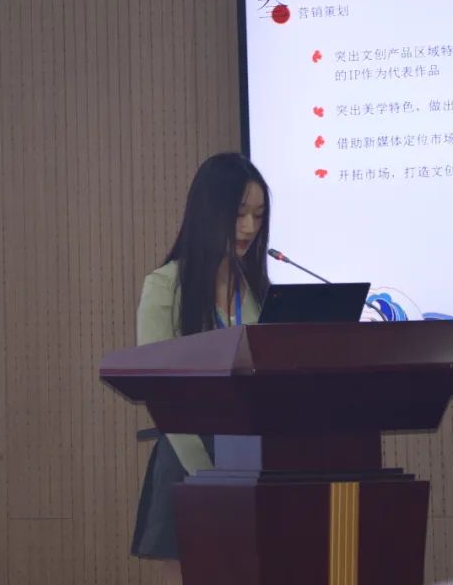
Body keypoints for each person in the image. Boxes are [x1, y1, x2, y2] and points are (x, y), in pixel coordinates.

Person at [130, 152, 271, 584]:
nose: (249, 227)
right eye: (239, 213)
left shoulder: (256, 290)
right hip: (191, 460)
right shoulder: (165, 286)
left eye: (258, 215)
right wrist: (207, 472)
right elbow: (160, 392)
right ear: (210, 212)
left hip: (255, 462)